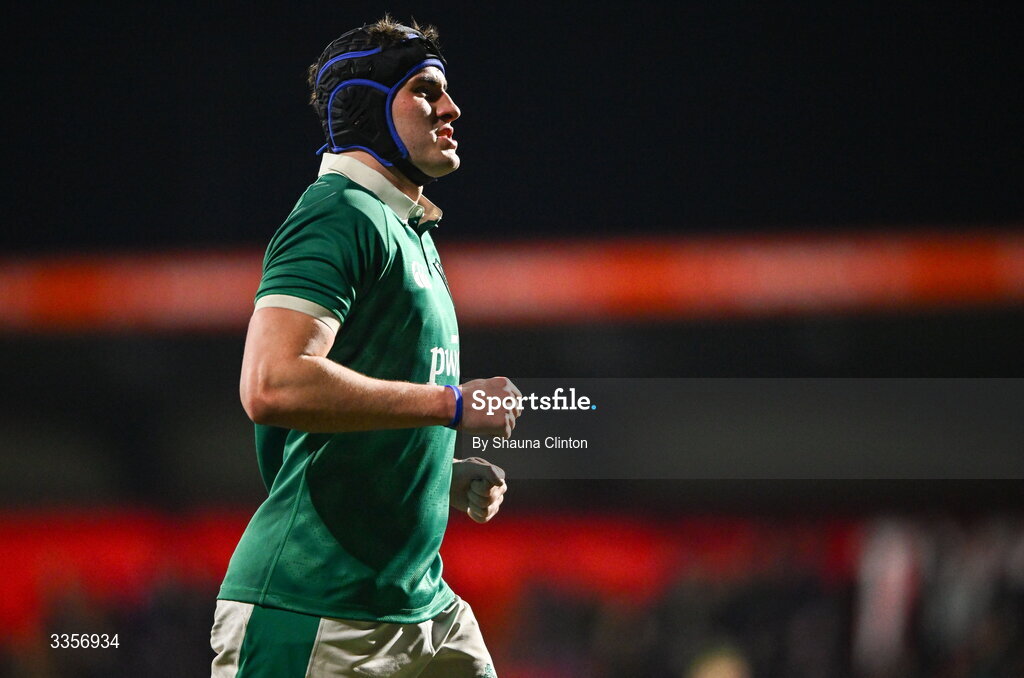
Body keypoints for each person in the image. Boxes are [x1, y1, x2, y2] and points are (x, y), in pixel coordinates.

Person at [210, 16, 522, 678]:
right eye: (425, 90)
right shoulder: (338, 215)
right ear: (368, 107)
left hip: (420, 610)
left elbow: (361, 414)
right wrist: (452, 404)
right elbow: (272, 384)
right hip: (314, 609)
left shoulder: (407, 231)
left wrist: (437, 477)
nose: (451, 108)